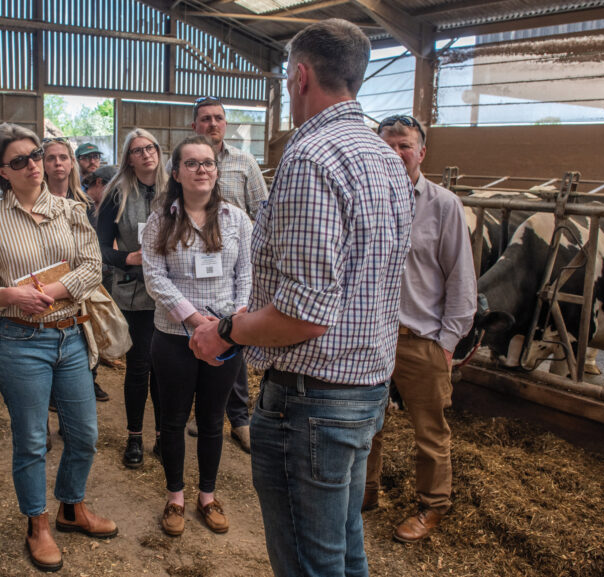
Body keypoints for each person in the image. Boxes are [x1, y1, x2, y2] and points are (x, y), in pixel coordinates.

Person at [189, 19, 414, 577]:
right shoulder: (385, 156)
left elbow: (305, 314)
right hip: (365, 388)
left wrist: (227, 330)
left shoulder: (312, 157)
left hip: (313, 401)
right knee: (343, 548)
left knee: (310, 564)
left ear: (300, 75)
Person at [0, 124, 115, 572]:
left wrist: (52, 291)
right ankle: (38, 523)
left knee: (85, 434)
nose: (33, 165)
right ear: (1, 172)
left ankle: (72, 506)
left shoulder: (72, 211)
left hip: (70, 334)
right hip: (19, 341)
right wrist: (8, 296)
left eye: (35, 155)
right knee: (32, 440)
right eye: (19, 161)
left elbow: (93, 267)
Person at [364, 114, 476, 543]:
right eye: (387, 144)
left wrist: (446, 343)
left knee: (429, 432)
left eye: (404, 145)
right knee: (367, 424)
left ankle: (432, 507)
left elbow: (461, 281)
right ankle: (366, 493)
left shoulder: (443, 204)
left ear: (421, 152)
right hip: (371, 336)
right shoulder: (367, 196)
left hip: (420, 339)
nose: (395, 153)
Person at [142, 135, 252, 537]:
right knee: (171, 420)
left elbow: (247, 275)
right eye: (192, 163)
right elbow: (155, 276)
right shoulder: (160, 220)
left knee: (212, 419)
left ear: (217, 171)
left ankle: (208, 495)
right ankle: (175, 497)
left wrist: (231, 323)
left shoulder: (237, 219)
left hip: (225, 338)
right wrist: (193, 320)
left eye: (207, 163)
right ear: (176, 173)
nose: (201, 169)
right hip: (174, 335)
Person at [183, 96, 269, 454]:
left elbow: (262, 214)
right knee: (196, 341)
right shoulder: (183, 162)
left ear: (226, 124)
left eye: (218, 118)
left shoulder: (244, 162)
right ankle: (203, 413)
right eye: (205, 119)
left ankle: (239, 418)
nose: (212, 124)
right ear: (194, 126)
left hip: (234, 270)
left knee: (234, 338)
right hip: (193, 273)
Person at [96, 128, 167, 469]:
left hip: (174, 295)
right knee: (139, 368)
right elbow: (97, 249)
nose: (145, 154)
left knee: (167, 370)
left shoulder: (176, 188)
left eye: (150, 147)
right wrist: (127, 258)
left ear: (158, 150)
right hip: (135, 293)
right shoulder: (116, 193)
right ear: (128, 158)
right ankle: (135, 436)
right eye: (137, 150)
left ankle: (165, 436)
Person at [43, 137, 108, 402]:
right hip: (47, 281)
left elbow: (93, 246)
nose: (58, 163)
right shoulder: (36, 202)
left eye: (63, 158)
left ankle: (88, 381)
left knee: (85, 334)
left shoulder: (85, 203)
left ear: (72, 164)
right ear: (43, 164)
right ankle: (48, 394)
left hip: (81, 281)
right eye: (51, 158)